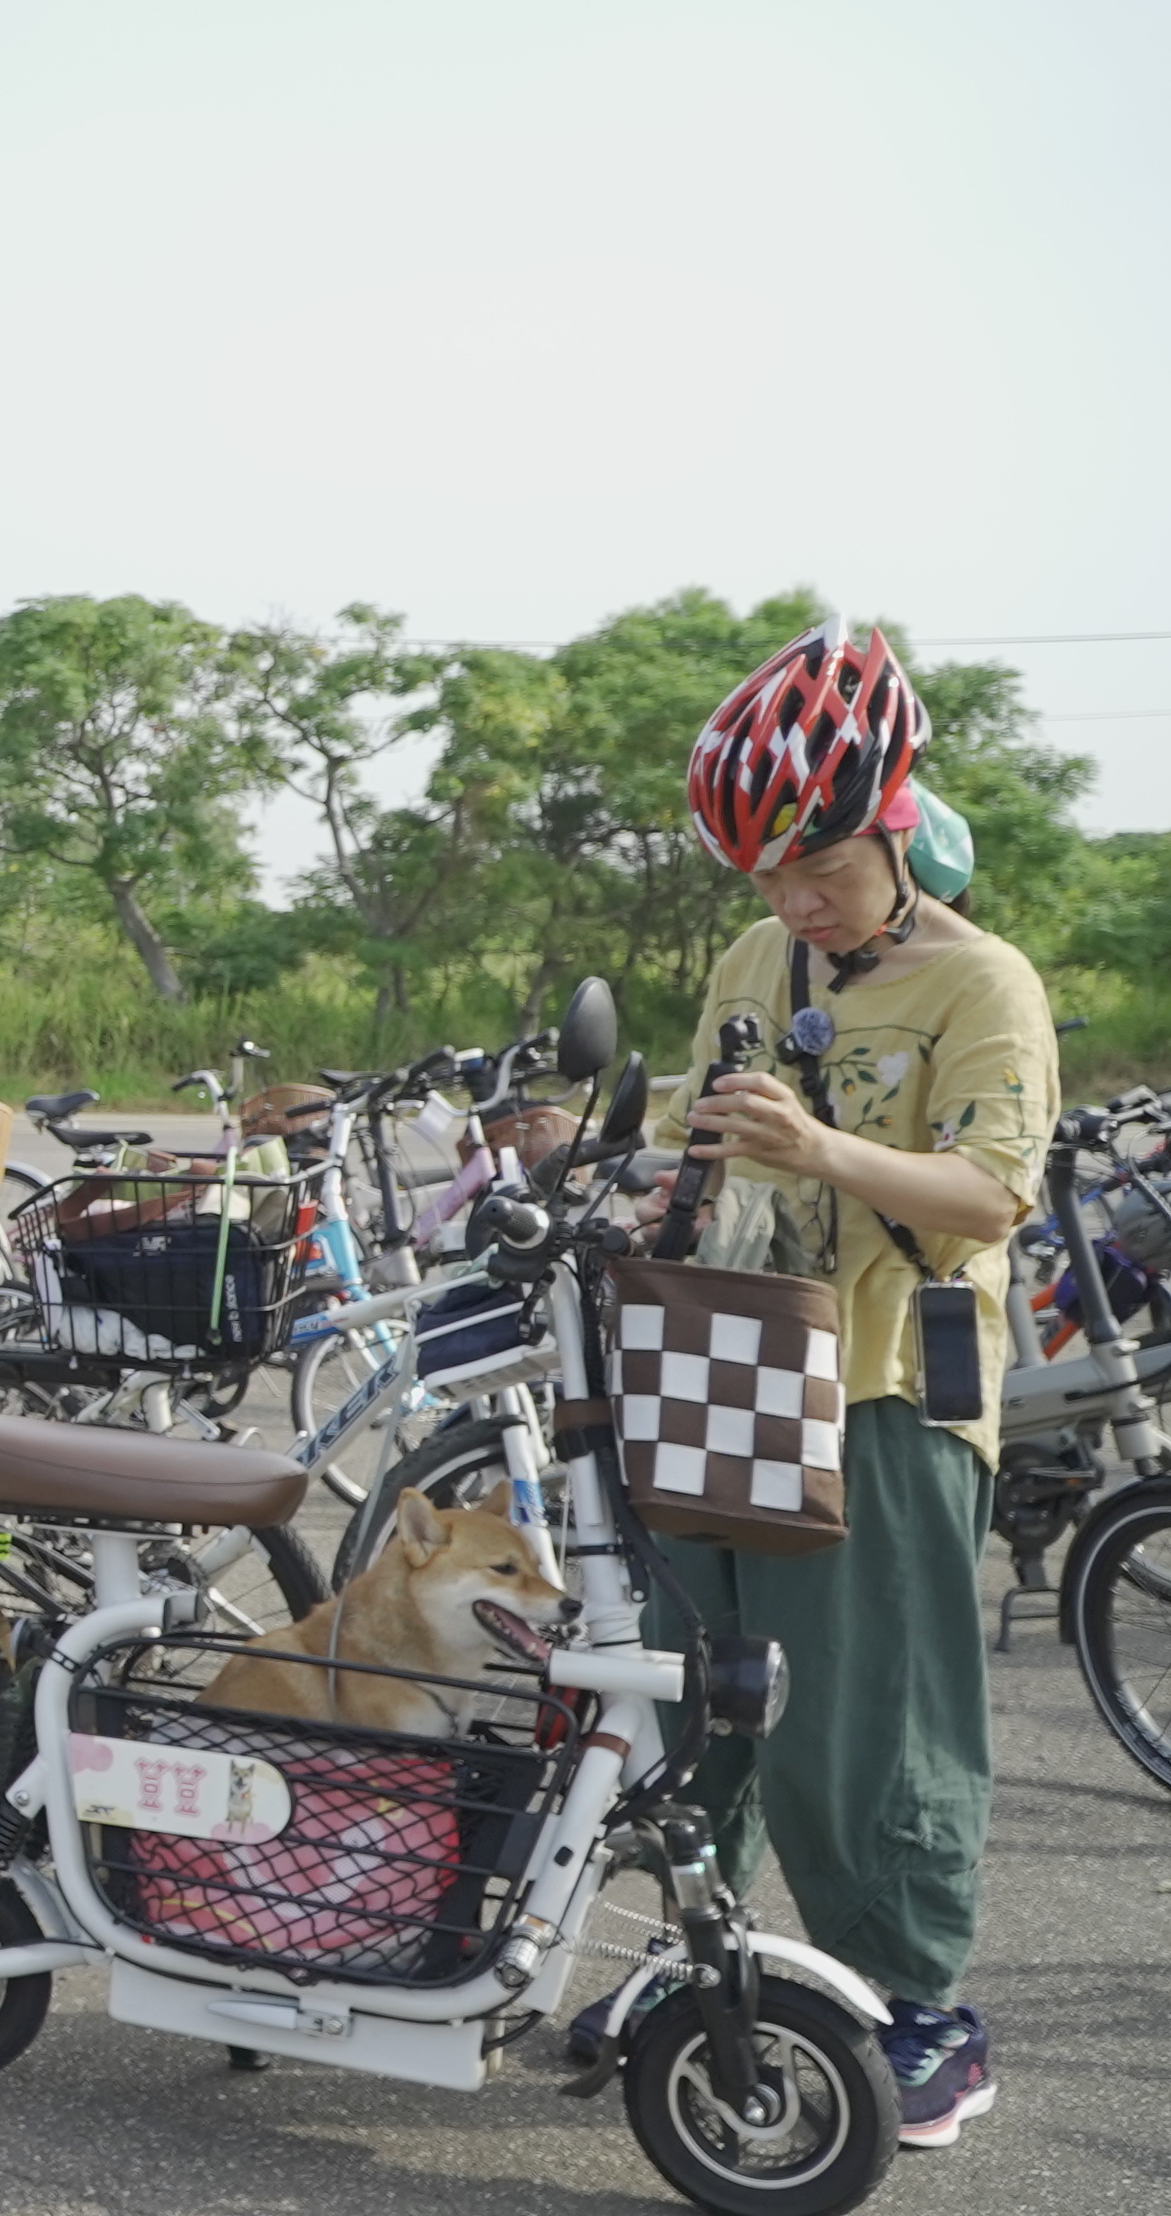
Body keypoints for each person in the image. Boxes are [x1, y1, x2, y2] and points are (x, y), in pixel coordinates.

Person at [631, 623, 1051, 2152]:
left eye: (817, 867)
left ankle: (921, 2010)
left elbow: (991, 1193)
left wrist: (819, 1147)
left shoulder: (982, 984)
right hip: (732, 1355)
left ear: (896, 824)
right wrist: (661, 1183)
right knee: (702, 1698)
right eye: (766, 877)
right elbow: (693, 1134)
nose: (794, 903)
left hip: (886, 1381)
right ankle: (718, 1979)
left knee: (867, 1720)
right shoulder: (760, 960)